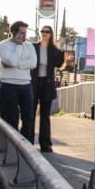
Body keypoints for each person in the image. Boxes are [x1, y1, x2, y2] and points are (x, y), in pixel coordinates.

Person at [0, 20, 37, 142]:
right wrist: (18, 47)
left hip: (26, 84)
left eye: (25, 32)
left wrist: (17, 64)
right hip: (9, 85)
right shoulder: (2, 45)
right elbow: (11, 61)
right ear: (13, 32)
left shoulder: (29, 46)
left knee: (28, 117)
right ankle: (12, 145)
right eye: (21, 32)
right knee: (11, 118)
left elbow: (33, 63)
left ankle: (26, 144)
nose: (24, 35)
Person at [31, 24, 65, 152]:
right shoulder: (34, 47)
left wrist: (61, 47)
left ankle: (45, 144)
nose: (44, 33)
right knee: (31, 114)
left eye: (47, 31)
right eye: (42, 31)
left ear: (51, 34)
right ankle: (28, 142)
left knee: (45, 116)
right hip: (34, 83)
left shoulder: (53, 50)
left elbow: (59, 63)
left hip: (47, 83)